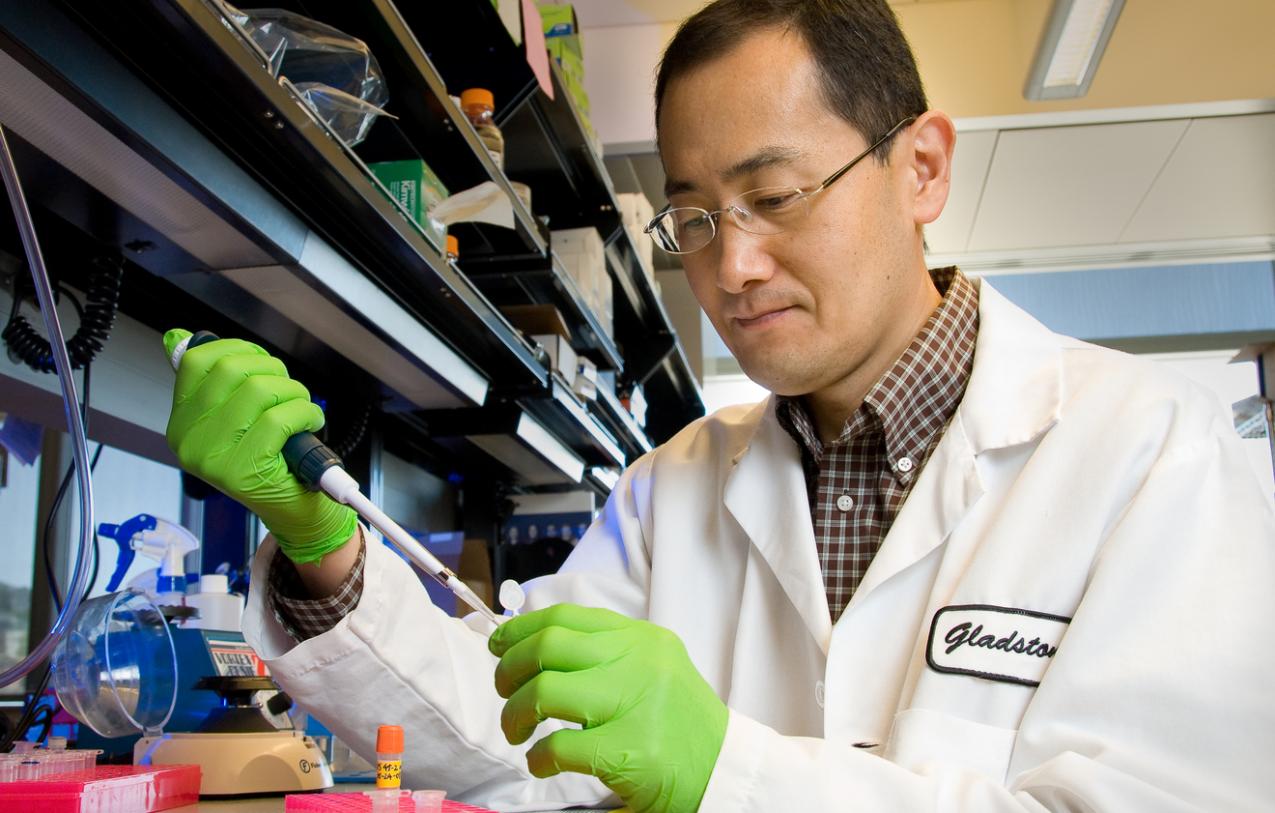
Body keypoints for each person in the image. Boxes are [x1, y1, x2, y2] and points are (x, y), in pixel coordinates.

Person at [162, 1, 1275, 810]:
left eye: (775, 196)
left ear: (922, 169)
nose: (731, 265)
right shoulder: (673, 486)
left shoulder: (1153, 451)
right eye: (692, 219)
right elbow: (516, 719)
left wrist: (723, 770)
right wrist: (320, 546)